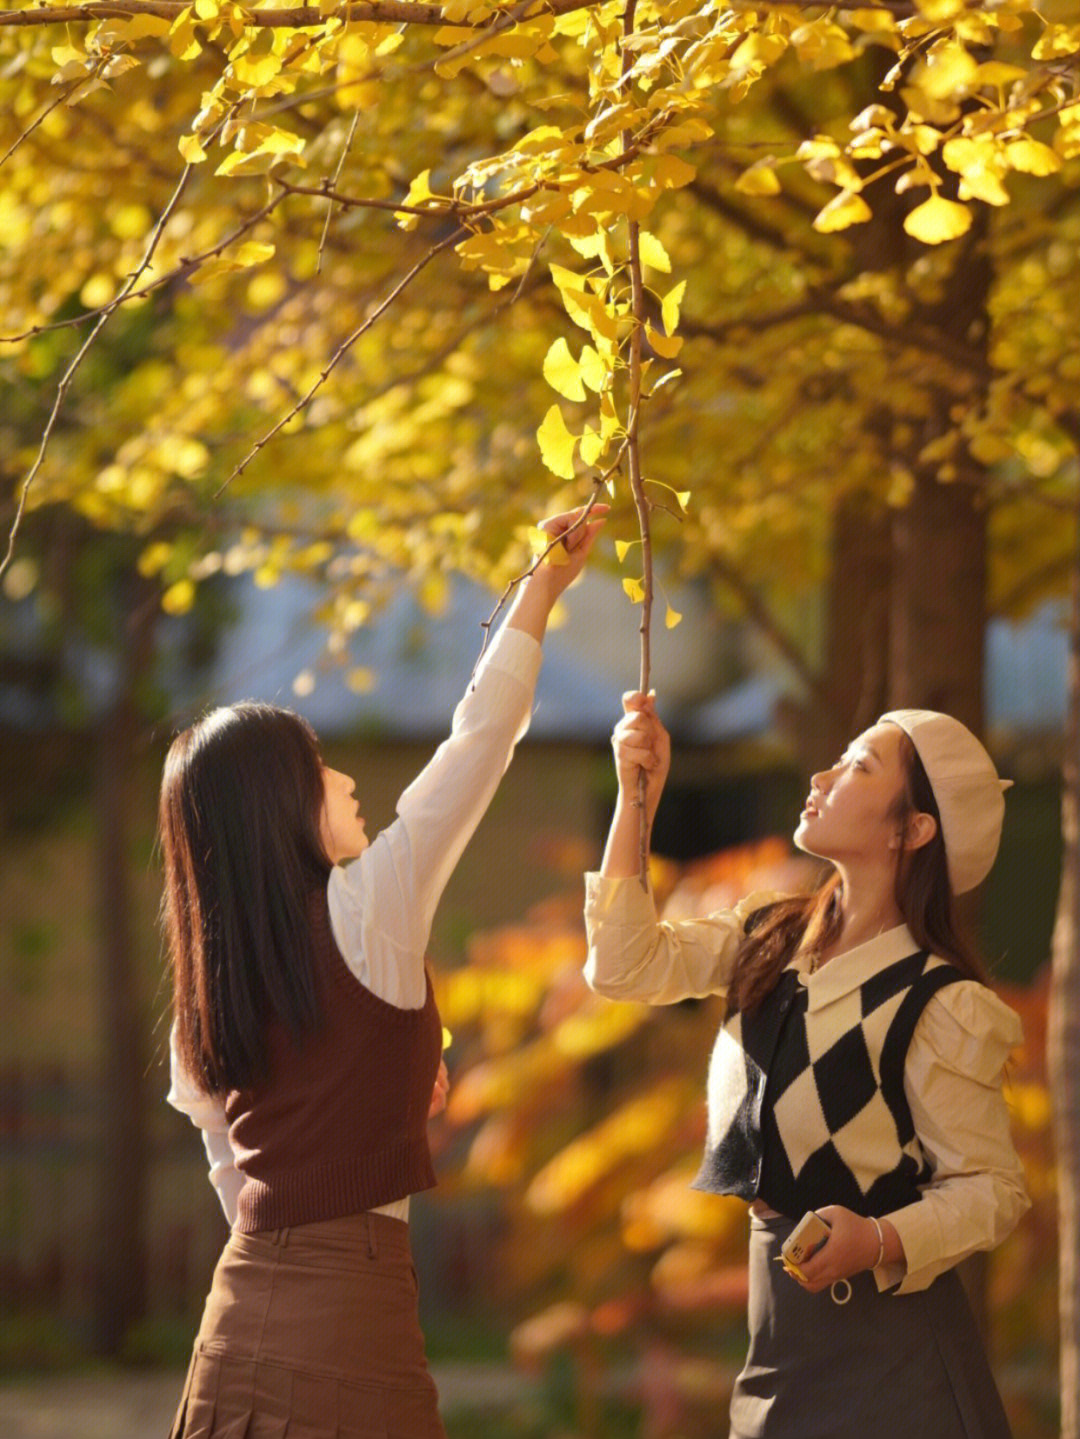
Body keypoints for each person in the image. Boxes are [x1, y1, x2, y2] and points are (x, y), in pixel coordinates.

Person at [163, 504, 605, 1439]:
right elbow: (480, 741)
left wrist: (384, 1099)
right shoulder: (368, 907)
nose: (348, 781)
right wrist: (542, 589)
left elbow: (235, 1170)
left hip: (236, 1318)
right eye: (321, 766)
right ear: (278, 803)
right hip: (347, 1314)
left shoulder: (208, 978)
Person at [584, 692, 1030, 1438]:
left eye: (858, 765)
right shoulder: (767, 933)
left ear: (913, 829)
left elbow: (994, 1189)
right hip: (779, 1342)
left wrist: (881, 1239)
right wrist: (637, 797)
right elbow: (623, 966)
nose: (822, 775)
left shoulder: (940, 1002)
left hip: (896, 1364)